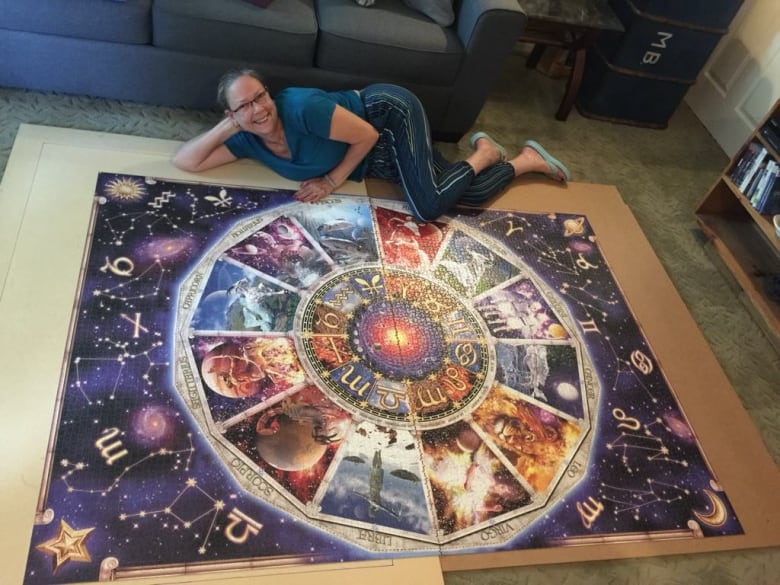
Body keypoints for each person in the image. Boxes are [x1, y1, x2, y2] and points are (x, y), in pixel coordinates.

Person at [172, 69, 570, 222]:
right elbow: (187, 162)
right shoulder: (247, 141)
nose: (259, 109)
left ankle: (483, 153)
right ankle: (524, 161)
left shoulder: (301, 108)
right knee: (467, 195)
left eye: (261, 96)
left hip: (386, 116)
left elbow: (366, 134)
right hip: (373, 158)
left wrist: (330, 181)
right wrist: (227, 128)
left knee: (428, 206)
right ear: (231, 115)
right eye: (245, 106)